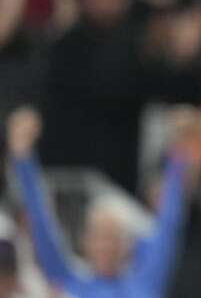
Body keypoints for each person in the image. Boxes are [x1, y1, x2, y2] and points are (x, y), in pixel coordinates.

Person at [7, 106, 189, 298]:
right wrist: (23, 158)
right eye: (99, 237)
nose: (106, 246)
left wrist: (179, 151)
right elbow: (41, 226)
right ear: (85, 242)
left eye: (112, 238)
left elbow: (170, 223)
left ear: (126, 246)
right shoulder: (69, 282)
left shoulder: (145, 283)